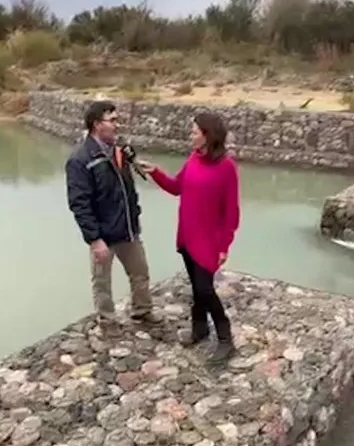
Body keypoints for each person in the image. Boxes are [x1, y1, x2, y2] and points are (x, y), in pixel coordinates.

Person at [136, 112, 240, 363]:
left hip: (209, 241)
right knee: (196, 287)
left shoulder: (226, 167)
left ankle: (226, 338)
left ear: (207, 135)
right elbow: (176, 187)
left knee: (205, 289)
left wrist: (224, 246)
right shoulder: (194, 158)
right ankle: (200, 329)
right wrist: (156, 172)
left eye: (194, 132)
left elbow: (232, 212)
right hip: (187, 236)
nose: (190, 135)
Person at [65, 100, 159, 326]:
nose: (117, 125)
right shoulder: (80, 159)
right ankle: (107, 321)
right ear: (97, 125)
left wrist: (133, 161)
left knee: (140, 274)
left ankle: (142, 311)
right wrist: (95, 239)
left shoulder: (120, 151)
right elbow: (79, 203)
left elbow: (126, 188)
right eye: (113, 121)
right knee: (102, 282)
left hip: (127, 228)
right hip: (103, 234)